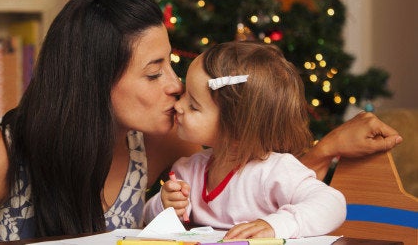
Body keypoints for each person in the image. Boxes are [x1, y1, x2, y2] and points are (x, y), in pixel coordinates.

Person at [0, 0, 402, 244]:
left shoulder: (159, 140)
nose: (176, 85)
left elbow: (252, 177)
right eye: (153, 72)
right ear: (93, 83)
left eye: (173, 64)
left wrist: (327, 149)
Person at [143, 41, 347, 239]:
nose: (179, 105)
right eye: (186, 94)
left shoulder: (274, 171)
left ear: (236, 126)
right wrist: (165, 205)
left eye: (194, 106)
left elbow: (333, 203)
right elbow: (147, 220)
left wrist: (276, 225)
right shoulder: (188, 170)